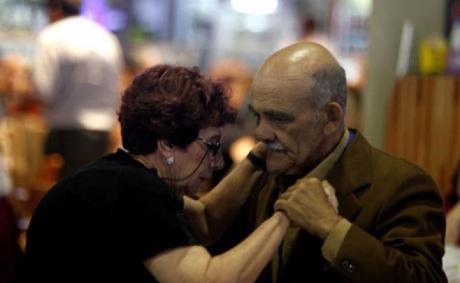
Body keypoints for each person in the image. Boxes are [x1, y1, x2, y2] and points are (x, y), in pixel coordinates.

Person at [22, 65, 292, 283]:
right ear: (167, 144)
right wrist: (289, 211)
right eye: (211, 146)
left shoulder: (117, 177)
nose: (217, 162)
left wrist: (257, 157)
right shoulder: (134, 191)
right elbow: (208, 280)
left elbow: (206, 221)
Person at [215, 42, 447, 282]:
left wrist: (331, 227)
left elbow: (424, 278)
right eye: (257, 116)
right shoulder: (261, 173)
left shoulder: (402, 185)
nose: (261, 132)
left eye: (279, 119)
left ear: (331, 118)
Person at [32, 0, 123, 179]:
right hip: (102, 132)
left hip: (66, 132)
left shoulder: (51, 36)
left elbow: (43, 91)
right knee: (93, 195)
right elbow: (117, 89)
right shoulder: (106, 37)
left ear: (54, 9)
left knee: (62, 199)